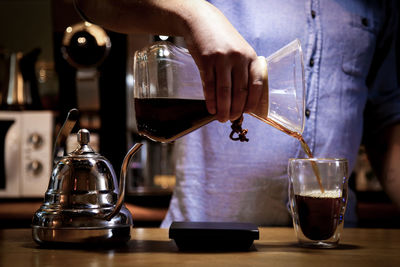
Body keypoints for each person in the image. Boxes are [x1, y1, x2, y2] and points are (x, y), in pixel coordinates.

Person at [75, 0, 400, 227]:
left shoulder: (379, 3)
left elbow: (388, 121)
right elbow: (93, 2)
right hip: (205, 241)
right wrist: (195, 13)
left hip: (330, 242)